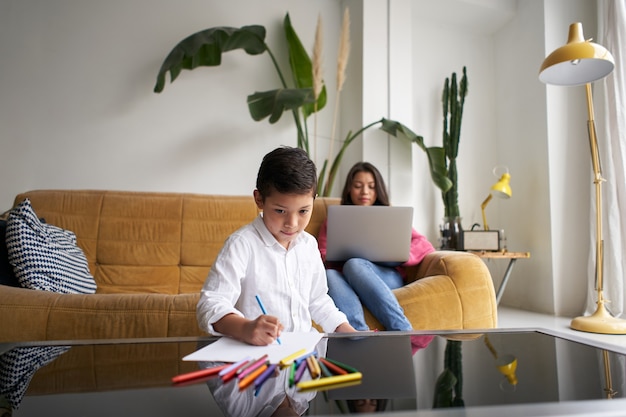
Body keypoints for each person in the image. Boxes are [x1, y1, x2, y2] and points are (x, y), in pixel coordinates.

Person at [197, 146, 356, 347]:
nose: (292, 223)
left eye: (303, 211)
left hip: (304, 356)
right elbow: (210, 304)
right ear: (259, 199)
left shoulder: (308, 245)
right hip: (256, 358)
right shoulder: (241, 245)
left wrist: (346, 330)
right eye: (280, 211)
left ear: (314, 201)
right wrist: (245, 328)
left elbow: (318, 300)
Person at [317, 162, 435, 332]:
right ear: (349, 189)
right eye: (358, 186)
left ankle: (401, 328)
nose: (365, 191)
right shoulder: (335, 219)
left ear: (378, 190)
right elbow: (322, 253)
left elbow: (424, 244)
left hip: (384, 276)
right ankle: (358, 335)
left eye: (371, 187)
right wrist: (339, 254)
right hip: (345, 278)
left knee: (355, 264)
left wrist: (400, 254)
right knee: (330, 275)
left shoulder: (389, 216)